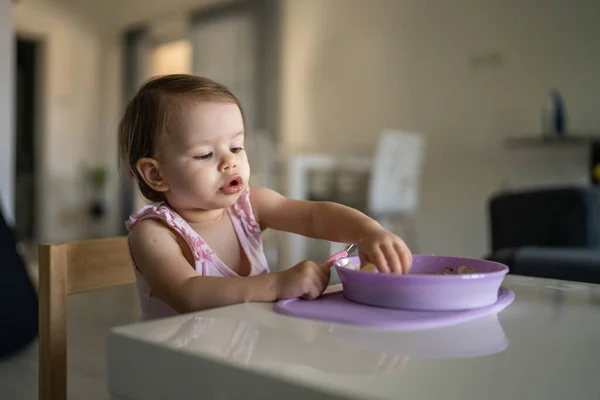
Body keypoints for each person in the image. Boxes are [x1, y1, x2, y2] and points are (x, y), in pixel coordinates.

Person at [119, 74, 412, 320]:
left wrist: (368, 232)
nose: (229, 163)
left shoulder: (250, 206)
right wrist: (275, 284)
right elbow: (188, 292)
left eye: (236, 147)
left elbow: (314, 216)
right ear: (156, 175)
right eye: (205, 154)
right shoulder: (154, 234)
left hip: (246, 354)